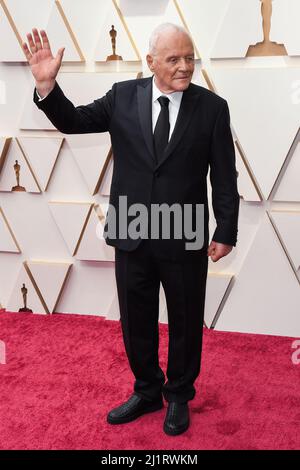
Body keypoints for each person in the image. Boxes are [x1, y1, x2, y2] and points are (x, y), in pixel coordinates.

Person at [22, 23, 240, 436]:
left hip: (186, 231)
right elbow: (73, 121)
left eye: (189, 57)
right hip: (132, 230)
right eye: (174, 59)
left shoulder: (213, 107)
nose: (184, 66)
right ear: (151, 62)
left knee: (185, 319)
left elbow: (223, 176)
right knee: (135, 319)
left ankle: (178, 394)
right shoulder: (123, 96)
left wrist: (225, 229)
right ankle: (146, 390)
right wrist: (48, 87)